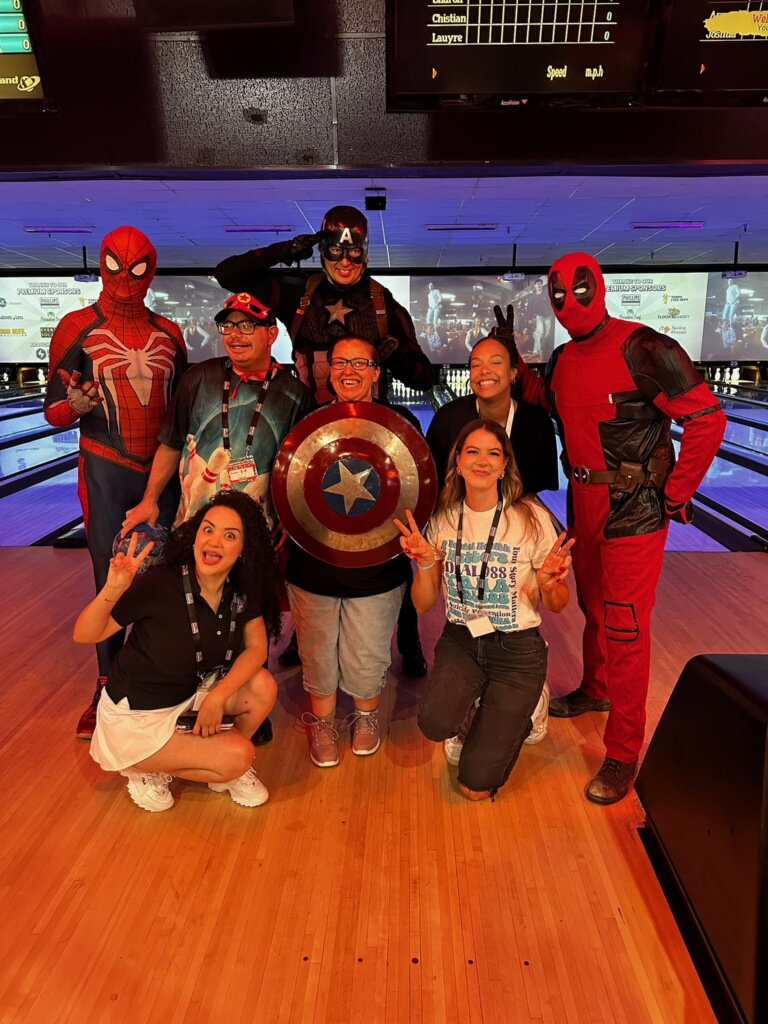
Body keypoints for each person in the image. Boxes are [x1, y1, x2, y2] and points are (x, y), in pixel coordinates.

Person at [215, 205, 433, 675]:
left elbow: (423, 374)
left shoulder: (382, 303)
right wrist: (286, 249)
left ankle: (409, 637)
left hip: (372, 433)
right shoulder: (295, 291)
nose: (345, 261)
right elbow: (226, 274)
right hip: (308, 424)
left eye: (354, 252)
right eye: (335, 250)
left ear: (366, 253)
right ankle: (303, 631)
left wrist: (394, 356)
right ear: (323, 250)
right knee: (302, 528)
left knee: (389, 528)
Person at [544, 251, 726, 804]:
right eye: (557, 293)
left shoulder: (646, 347)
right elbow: (558, 409)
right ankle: (596, 689)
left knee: (624, 626)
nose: (567, 302)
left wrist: (675, 494)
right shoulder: (559, 358)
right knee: (593, 607)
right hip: (583, 502)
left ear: (597, 287)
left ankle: (623, 752)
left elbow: (708, 418)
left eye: (578, 289)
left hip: (634, 509)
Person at [44, 225, 188, 740]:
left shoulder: (171, 332)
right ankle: (106, 683)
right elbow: (53, 411)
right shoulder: (75, 325)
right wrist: (74, 406)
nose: (125, 278)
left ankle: (161, 670)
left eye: (137, 268)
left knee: (166, 572)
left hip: (161, 473)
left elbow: (183, 408)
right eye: (115, 266)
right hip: (104, 465)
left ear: (152, 268)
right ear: (102, 264)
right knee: (111, 577)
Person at [396, 420, 573, 801]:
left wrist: (547, 584)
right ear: (457, 462)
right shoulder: (443, 519)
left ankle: (532, 705)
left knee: (474, 786)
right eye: (472, 451)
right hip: (462, 641)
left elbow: (558, 604)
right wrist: (426, 565)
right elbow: (424, 603)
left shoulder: (530, 518)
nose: (482, 461)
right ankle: (477, 713)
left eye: (493, 453)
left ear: (505, 465)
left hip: (518, 651)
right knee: (434, 724)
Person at [74, 491, 281, 813]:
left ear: (244, 549)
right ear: (195, 534)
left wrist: (217, 696)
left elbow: (256, 648)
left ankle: (216, 766)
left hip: (187, 692)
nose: (214, 542)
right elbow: (85, 634)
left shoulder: (241, 586)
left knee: (263, 686)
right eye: (208, 529)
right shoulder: (160, 584)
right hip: (138, 714)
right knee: (240, 754)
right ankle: (142, 767)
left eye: (230, 535)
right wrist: (113, 589)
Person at [285, 336, 415, 768]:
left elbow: (416, 495)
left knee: (368, 651)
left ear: (377, 372)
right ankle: (322, 723)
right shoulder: (307, 421)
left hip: (378, 567)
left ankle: (365, 716)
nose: (348, 370)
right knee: (318, 652)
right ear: (329, 370)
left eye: (360, 362)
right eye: (340, 362)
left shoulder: (400, 422)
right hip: (312, 565)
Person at [122, 292, 311, 533]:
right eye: (228, 326)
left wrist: (290, 518)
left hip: (260, 534)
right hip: (193, 527)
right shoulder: (199, 377)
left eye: (247, 325)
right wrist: (149, 500)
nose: (235, 334)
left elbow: (298, 468)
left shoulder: (295, 394)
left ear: (271, 334)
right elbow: (171, 444)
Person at [426, 333, 558, 496]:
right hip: (458, 518)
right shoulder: (446, 419)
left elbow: (534, 494)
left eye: (495, 362)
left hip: (517, 517)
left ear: (513, 372)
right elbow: (431, 486)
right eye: (476, 365)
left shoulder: (538, 424)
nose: (484, 371)